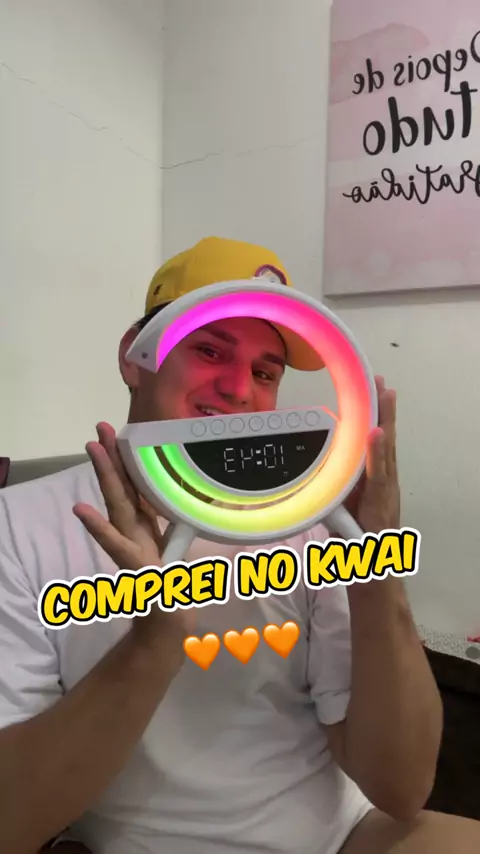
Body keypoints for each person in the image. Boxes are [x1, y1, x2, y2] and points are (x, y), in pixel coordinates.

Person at [0, 236, 478, 854]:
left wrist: (376, 567)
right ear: (133, 356)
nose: (237, 389)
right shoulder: (20, 525)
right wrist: (154, 638)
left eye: (264, 372)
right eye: (209, 350)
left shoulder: (309, 520)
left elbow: (402, 788)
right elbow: (12, 823)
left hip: (343, 837)